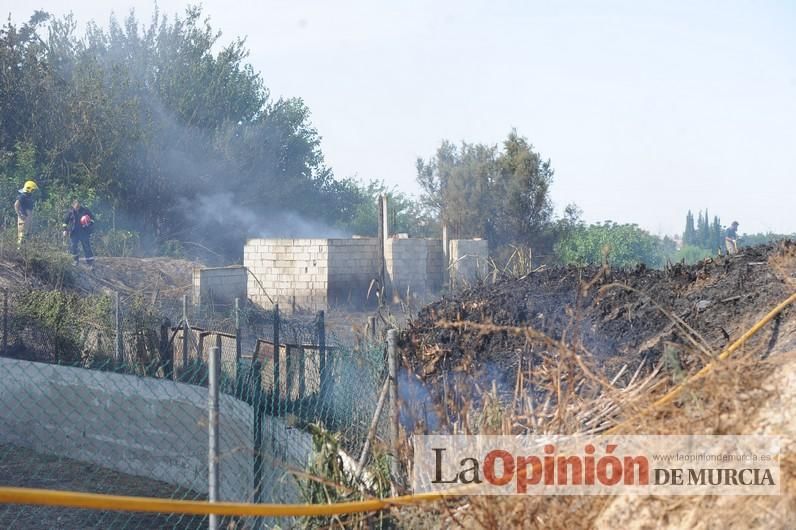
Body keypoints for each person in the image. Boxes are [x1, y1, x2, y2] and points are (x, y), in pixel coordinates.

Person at [63, 199, 96, 268]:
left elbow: (92, 218)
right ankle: (75, 261)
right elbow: (65, 222)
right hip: (74, 232)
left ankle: (90, 263)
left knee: (87, 247)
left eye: (78, 206)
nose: (77, 208)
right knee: (73, 247)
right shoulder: (70, 212)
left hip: (84, 232)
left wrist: (89, 223)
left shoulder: (85, 210)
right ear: (73, 205)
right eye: (76, 206)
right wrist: (65, 230)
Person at [14, 180, 38, 248]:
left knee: (27, 235)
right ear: (29, 188)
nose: (33, 191)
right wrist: (20, 215)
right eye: (33, 189)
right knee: (22, 235)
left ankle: (25, 251)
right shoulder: (22, 196)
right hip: (23, 218)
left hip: (28, 219)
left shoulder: (29, 197)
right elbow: (16, 205)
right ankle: (19, 251)